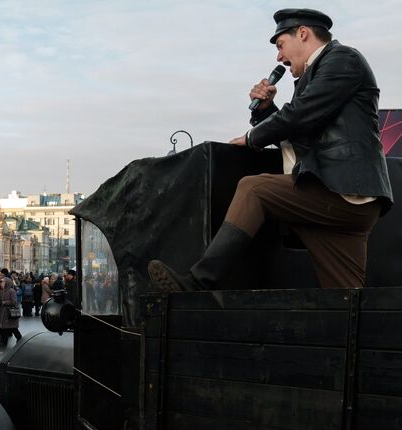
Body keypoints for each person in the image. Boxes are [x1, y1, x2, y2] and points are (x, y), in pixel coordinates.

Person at [148, 8, 392, 292]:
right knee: (348, 298)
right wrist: (266, 112)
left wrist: (253, 137)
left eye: (280, 45)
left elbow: (300, 115)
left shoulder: (343, 59)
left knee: (254, 189)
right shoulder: (315, 76)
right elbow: (302, 131)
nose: (279, 57)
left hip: (343, 192)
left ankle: (197, 282)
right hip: (348, 202)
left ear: (302, 33)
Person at [0, 276, 22, 345]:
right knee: (4, 328)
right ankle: (4, 341)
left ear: (7, 283)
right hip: (3, 311)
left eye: (2, 282)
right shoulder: (1, 291)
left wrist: (5, 302)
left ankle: (19, 338)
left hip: (9, 312)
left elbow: (14, 302)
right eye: (0, 282)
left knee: (13, 328)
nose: (1, 283)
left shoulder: (12, 291)